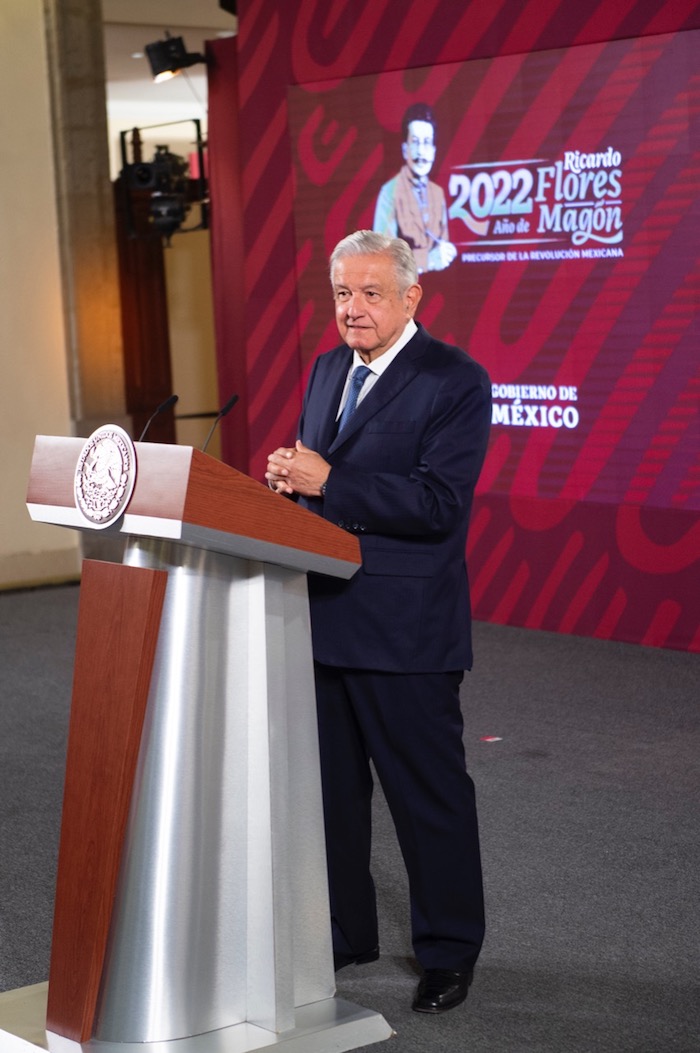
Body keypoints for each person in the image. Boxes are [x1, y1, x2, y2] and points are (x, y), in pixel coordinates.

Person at [266, 230, 491, 1014]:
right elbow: (323, 486)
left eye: (368, 294)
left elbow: (439, 506)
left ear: (410, 298)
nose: (352, 310)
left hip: (407, 632)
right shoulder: (328, 370)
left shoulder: (455, 380)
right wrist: (291, 483)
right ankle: (345, 930)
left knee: (427, 799)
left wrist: (332, 479)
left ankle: (449, 952)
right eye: (340, 294)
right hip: (322, 617)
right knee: (331, 799)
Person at [373, 102, 457, 274]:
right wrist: (428, 260)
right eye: (415, 142)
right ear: (405, 149)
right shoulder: (389, 193)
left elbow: (443, 250)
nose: (421, 152)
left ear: (433, 151)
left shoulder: (437, 193)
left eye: (427, 143)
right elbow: (382, 259)